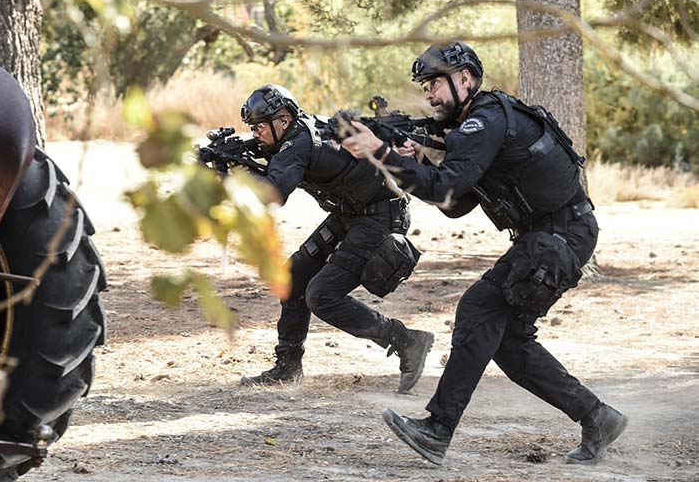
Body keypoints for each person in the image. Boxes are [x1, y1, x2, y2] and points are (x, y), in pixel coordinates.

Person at [341, 42, 628, 465]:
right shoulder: (477, 126)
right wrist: (415, 161)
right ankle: (598, 417)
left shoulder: (486, 119)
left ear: (465, 79)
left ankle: (438, 429)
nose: (429, 94)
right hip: (551, 235)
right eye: (425, 87)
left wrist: (382, 153)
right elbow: (455, 205)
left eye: (434, 83)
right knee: (508, 340)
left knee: (479, 309)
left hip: (559, 234)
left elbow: (446, 189)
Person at [237, 84, 435, 394]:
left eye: (260, 126)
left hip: (380, 216)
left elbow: (274, 193)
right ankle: (288, 365)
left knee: (322, 295)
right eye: (252, 128)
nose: (256, 133)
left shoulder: (298, 143)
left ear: (284, 120)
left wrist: (238, 174)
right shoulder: (295, 134)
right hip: (350, 214)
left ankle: (406, 340)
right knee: (293, 277)